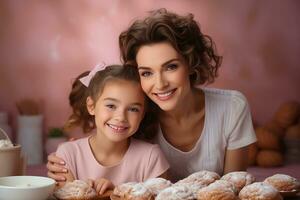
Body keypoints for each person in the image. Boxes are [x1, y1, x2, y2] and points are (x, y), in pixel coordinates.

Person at [47, 8, 256, 183]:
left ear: (190, 63)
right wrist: (68, 156)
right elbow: (106, 141)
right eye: (146, 72)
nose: (160, 83)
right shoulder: (137, 113)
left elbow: (233, 188)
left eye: (171, 67)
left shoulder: (232, 107)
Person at [53, 63, 169, 194]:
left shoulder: (151, 158)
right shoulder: (68, 154)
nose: (121, 117)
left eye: (133, 109)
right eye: (111, 106)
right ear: (91, 106)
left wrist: (115, 194)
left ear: (142, 114)